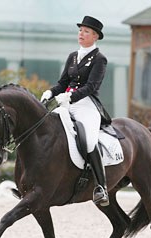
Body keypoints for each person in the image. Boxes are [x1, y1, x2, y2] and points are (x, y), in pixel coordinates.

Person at [40, 16, 111, 206]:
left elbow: (91, 86)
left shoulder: (99, 59)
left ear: (95, 36)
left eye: (86, 31)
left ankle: (101, 187)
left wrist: (69, 97)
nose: (81, 34)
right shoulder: (72, 56)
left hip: (86, 104)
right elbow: (63, 83)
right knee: (43, 130)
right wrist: (51, 92)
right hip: (66, 103)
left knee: (88, 141)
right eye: (80, 30)